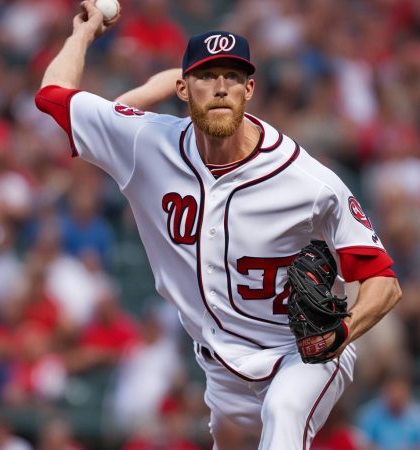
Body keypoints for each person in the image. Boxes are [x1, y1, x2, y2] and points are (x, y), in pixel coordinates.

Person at [35, 1, 402, 448]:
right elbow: (53, 94)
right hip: (218, 369)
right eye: (207, 76)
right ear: (183, 89)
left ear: (250, 89)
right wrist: (83, 33)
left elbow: (383, 281)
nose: (221, 87)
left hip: (300, 353)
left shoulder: (307, 181)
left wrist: (340, 334)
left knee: (284, 413)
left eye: (232, 76)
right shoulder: (146, 143)